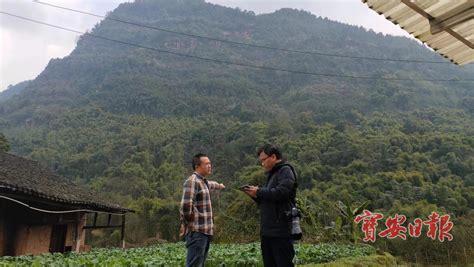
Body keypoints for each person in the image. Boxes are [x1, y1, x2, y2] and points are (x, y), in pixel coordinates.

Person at [244, 144, 297, 267]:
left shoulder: (285, 170)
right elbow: (270, 199)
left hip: (280, 230)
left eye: (264, 160)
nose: (262, 163)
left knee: (283, 263)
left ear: (273, 157)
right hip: (268, 230)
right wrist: (256, 196)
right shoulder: (272, 174)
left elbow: (282, 192)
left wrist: (259, 191)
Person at [180, 153, 225, 267]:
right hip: (197, 231)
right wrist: (189, 221)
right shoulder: (192, 181)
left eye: (210, 163)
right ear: (197, 166)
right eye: (206, 164)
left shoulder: (203, 182)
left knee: (200, 264)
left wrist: (219, 185)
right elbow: (185, 205)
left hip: (205, 231)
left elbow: (212, 184)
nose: (209, 166)